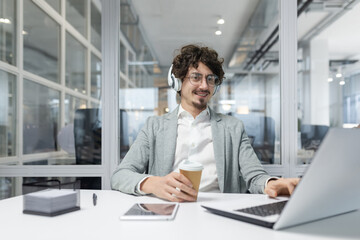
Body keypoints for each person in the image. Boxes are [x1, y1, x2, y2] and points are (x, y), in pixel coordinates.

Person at [111, 44, 299, 202]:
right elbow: (120, 175)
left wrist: (271, 183)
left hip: (219, 213)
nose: (204, 86)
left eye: (210, 79)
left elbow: (255, 175)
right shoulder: (154, 126)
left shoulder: (233, 128)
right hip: (168, 210)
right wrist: (153, 183)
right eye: (196, 77)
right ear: (178, 82)